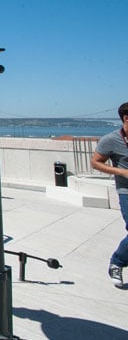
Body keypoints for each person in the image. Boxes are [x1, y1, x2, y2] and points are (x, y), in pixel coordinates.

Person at [90, 102, 128, 288]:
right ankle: (117, 262)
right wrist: (121, 172)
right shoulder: (111, 140)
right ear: (126, 118)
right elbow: (96, 162)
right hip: (126, 191)